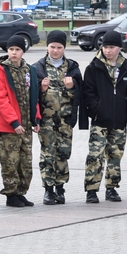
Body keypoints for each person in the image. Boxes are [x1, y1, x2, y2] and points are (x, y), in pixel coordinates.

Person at [80, 31, 127, 203]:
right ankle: (91, 190)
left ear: (119, 48)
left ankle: (111, 188)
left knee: (115, 156)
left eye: (111, 47)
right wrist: (97, 110)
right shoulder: (94, 67)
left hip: (119, 120)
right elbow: (88, 92)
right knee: (95, 155)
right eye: (105, 47)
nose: (108, 51)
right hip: (100, 120)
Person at [33, 31, 83, 205]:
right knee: (47, 154)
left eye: (59, 47)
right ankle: (48, 189)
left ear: (64, 48)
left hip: (65, 120)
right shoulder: (38, 67)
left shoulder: (72, 67)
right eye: (52, 47)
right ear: (47, 47)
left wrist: (72, 87)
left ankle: (60, 188)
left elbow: (80, 94)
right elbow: (31, 95)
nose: (55, 50)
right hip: (46, 120)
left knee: (63, 153)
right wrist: (42, 88)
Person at [0, 34, 41, 208]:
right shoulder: (2, 70)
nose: (14, 53)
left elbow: (33, 96)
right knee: (10, 162)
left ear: (23, 51)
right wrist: (14, 122)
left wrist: (35, 119)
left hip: (27, 125)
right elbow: (1, 98)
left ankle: (21, 192)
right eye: (11, 49)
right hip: (10, 127)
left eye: (17, 50)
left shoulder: (29, 70)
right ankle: (11, 194)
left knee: (25, 162)